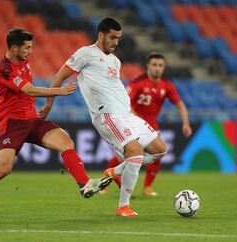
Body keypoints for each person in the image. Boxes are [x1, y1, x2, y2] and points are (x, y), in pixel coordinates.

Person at [0, 28, 112, 217]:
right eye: (27, 47)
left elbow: (26, 94)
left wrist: (44, 108)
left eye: (31, 47)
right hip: (12, 123)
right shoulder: (5, 68)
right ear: (14, 48)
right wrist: (58, 91)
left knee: (65, 142)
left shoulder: (23, 61)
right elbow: (28, 90)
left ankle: (84, 184)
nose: (30, 51)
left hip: (32, 119)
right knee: (3, 169)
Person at [39, 17, 168, 217]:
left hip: (127, 114)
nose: (116, 42)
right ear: (101, 35)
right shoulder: (85, 54)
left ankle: (114, 172)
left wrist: (131, 113)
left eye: (119, 38)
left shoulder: (115, 61)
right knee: (136, 154)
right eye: (112, 37)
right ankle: (123, 207)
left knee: (160, 150)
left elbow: (115, 89)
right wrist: (48, 104)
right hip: (107, 115)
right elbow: (59, 77)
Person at [101, 52, 192, 196]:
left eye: (160, 65)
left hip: (152, 126)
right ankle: (106, 181)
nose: (157, 68)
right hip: (133, 125)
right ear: (148, 66)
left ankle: (147, 187)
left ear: (164, 67)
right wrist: (136, 118)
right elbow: (125, 101)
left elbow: (180, 104)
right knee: (123, 157)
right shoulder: (137, 82)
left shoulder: (167, 86)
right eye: (154, 65)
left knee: (158, 154)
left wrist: (185, 124)